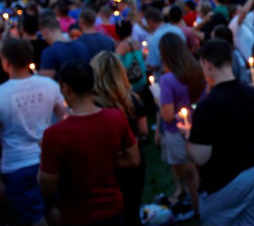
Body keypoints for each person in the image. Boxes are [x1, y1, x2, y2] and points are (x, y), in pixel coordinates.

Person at [39, 61, 140, 225]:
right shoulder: (116, 117)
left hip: (77, 215)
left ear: (66, 89)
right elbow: (134, 159)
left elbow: (47, 186)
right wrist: (104, 161)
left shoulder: (54, 135)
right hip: (113, 208)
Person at [184, 38, 254, 226]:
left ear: (206, 65)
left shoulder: (207, 106)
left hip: (228, 182)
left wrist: (188, 135)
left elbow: (199, 157)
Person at [0, 38, 66, 226]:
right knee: (52, 206)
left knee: (32, 216)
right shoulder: (49, 85)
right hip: (47, 157)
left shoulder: (2, 94)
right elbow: (64, 117)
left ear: (6, 62)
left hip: (16, 164)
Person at [90, 51, 148, 226]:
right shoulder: (132, 100)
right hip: (134, 161)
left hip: (110, 165)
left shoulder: (95, 106)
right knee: (132, 209)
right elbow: (144, 131)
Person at [156, 33, 204, 221]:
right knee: (197, 173)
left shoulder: (168, 80)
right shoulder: (196, 69)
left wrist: (157, 100)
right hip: (197, 126)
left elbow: (167, 115)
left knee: (192, 179)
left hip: (177, 134)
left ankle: (200, 212)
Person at [39, 11, 89, 79]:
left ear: (45, 31)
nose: (44, 38)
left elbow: (45, 80)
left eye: (43, 35)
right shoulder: (81, 47)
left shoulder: (49, 53)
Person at [144, 7, 185, 74]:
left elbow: (153, 65)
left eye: (147, 23)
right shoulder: (177, 30)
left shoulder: (153, 39)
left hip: (166, 77)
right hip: (184, 71)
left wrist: (145, 58)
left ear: (150, 21)